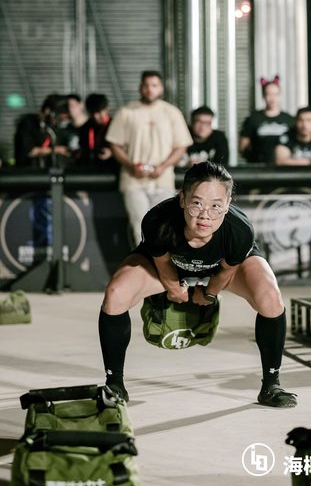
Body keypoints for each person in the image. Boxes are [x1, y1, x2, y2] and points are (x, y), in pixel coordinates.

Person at [98, 161, 297, 408]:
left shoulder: (240, 230)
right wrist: (175, 289)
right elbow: (164, 266)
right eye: (197, 203)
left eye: (216, 206)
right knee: (116, 294)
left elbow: (225, 272)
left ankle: (271, 384)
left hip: (218, 269)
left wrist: (209, 294)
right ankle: (115, 383)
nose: (205, 215)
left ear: (228, 204)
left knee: (271, 298)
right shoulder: (158, 220)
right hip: (171, 265)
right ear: (182, 199)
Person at [106, 70, 193, 244]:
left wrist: (163, 166)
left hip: (163, 181)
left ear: (161, 88)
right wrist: (131, 165)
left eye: (154, 85)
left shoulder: (171, 112)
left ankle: (160, 262)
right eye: (146, 85)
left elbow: (181, 146)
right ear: (140, 87)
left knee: (163, 228)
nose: (150, 89)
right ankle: (143, 261)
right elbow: (114, 144)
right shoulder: (126, 112)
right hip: (133, 182)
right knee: (139, 228)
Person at [239, 76, 294, 164]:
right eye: (269, 94)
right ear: (263, 96)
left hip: (283, 167)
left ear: (280, 95)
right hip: (259, 167)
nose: (272, 98)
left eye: (276, 94)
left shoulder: (289, 120)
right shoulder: (253, 119)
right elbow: (242, 147)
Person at [14, 94, 71, 169]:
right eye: (58, 116)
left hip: (47, 171)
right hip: (27, 170)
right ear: (48, 110)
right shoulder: (28, 123)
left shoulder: (53, 128)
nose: (58, 120)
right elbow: (29, 151)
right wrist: (57, 150)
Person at [77, 93, 118, 172]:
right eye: (92, 113)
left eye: (99, 112)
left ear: (107, 109)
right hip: (90, 169)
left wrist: (112, 153)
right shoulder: (85, 127)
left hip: (112, 168)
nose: (96, 116)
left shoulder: (116, 126)